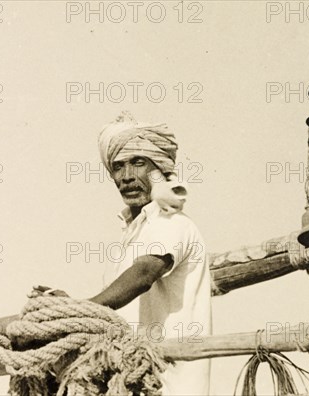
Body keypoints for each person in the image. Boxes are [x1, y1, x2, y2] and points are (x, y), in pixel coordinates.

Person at [35, 112, 212, 395]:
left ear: (160, 170)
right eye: (118, 167)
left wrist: (78, 311)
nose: (127, 177)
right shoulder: (130, 237)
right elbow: (117, 315)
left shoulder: (173, 224)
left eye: (138, 163)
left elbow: (144, 274)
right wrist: (67, 310)